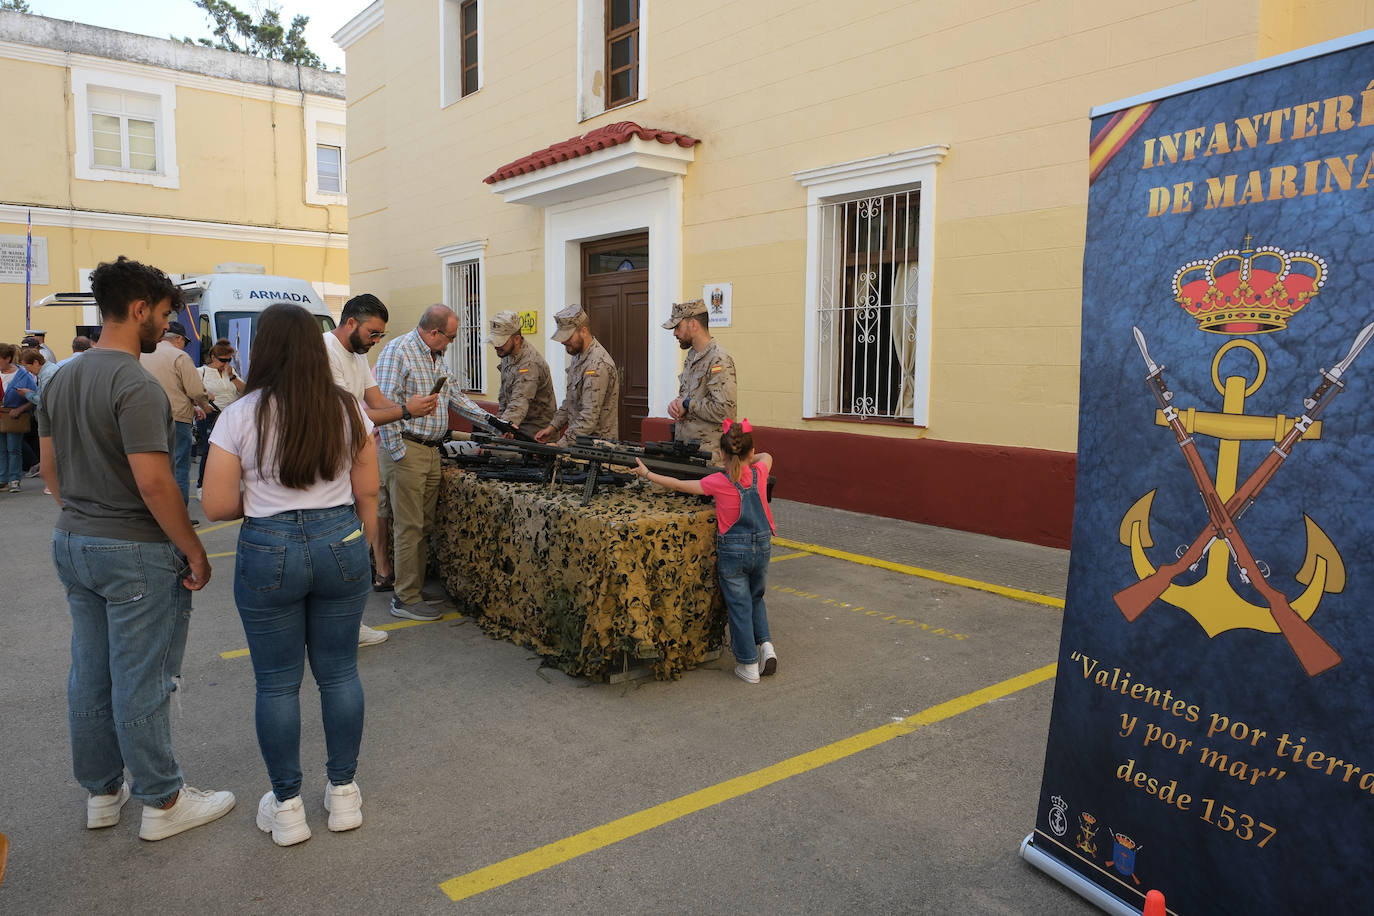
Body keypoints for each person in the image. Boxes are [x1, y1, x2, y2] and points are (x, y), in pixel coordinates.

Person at [37, 255, 234, 841]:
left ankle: (102, 793)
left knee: (90, 673)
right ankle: (163, 801)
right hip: (132, 550)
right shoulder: (135, 383)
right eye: (167, 313)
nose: (168, 326)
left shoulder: (60, 376)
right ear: (140, 309)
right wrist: (194, 550)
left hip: (73, 540)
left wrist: (85, 512)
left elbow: (49, 470)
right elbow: (155, 482)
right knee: (141, 677)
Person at [201, 302, 378, 847]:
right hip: (341, 540)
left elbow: (216, 504)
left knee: (277, 684)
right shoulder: (348, 408)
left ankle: (288, 807)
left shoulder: (239, 414)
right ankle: (344, 794)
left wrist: (264, 498)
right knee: (340, 673)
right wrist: (364, 547)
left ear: (264, 349)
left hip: (268, 545)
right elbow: (368, 489)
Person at [325, 293, 439, 642]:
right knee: (340, 547)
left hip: (353, 460)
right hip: (330, 465)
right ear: (349, 324)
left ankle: (349, 624)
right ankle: (338, 627)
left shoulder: (357, 355)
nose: (376, 341)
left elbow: (376, 401)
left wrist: (409, 411)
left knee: (355, 544)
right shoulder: (325, 352)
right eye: (373, 333)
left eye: (380, 336)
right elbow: (353, 414)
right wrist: (407, 411)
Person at [633, 419, 777, 684]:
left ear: (722, 454)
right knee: (756, 597)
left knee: (739, 606)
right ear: (749, 451)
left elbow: (677, 484)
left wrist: (647, 474)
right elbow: (767, 456)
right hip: (763, 547)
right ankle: (766, 646)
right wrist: (748, 455)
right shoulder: (760, 472)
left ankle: (748, 665)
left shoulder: (716, 482)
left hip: (734, 552)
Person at [374, 304, 488, 621]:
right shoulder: (398, 351)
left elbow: (457, 398)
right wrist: (398, 452)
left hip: (430, 450)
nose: (450, 343)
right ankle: (405, 598)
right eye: (449, 337)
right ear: (434, 332)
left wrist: (496, 423)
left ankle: (413, 587)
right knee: (409, 527)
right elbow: (383, 404)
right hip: (407, 449)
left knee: (422, 526)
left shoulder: (435, 356)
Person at [141, 321, 210, 506]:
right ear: (178, 339)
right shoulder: (179, 356)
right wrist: (204, 404)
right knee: (179, 466)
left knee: (151, 466)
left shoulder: (142, 354)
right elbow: (195, 390)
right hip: (176, 418)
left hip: (145, 417)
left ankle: (154, 512)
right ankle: (178, 514)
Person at [662, 299, 738, 461]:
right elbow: (690, 397)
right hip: (687, 453)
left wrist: (687, 404)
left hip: (709, 459)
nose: (674, 333)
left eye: (677, 326)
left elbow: (725, 412)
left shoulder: (718, 360)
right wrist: (676, 405)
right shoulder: (692, 357)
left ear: (693, 324)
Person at [535, 304, 620, 445]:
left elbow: (588, 417)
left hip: (596, 449)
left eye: (567, 336)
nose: (563, 341)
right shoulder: (578, 356)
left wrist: (561, 445)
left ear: (584, 331)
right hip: (580, 444)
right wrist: (552, 428)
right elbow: (570, 401)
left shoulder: (596, 365)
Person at [488, 310, 556, 436]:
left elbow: (518, 404)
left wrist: (498, 436)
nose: (496, 346)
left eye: (501, 341)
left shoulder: (530, 364)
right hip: (515, 428)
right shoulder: (507, 354)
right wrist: (497, 425)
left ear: (517, 339)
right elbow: (504, 398)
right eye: (494, 341)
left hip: (536, 435)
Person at [193, 339, 245, 496]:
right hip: (210, 415)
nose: (226, 363)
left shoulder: (231, 373)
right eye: (223, 360)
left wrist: (232, 377)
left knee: (232, 452)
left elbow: (246, 390)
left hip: (230, 415)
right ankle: (202, 486)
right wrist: (198, 407)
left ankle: (225, 485)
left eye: (229, 359)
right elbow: (192, 393)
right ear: (213, 357)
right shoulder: (200, 372)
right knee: (209, 450)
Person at [1, 343, 37, 492]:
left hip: (15, 416)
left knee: (13, 448)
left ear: (7, 358)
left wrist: (20, 409)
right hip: (1, 415)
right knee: (1, 449)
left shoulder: (23, 375)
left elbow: (34, 397)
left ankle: (14, 479)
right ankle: (2, 478)